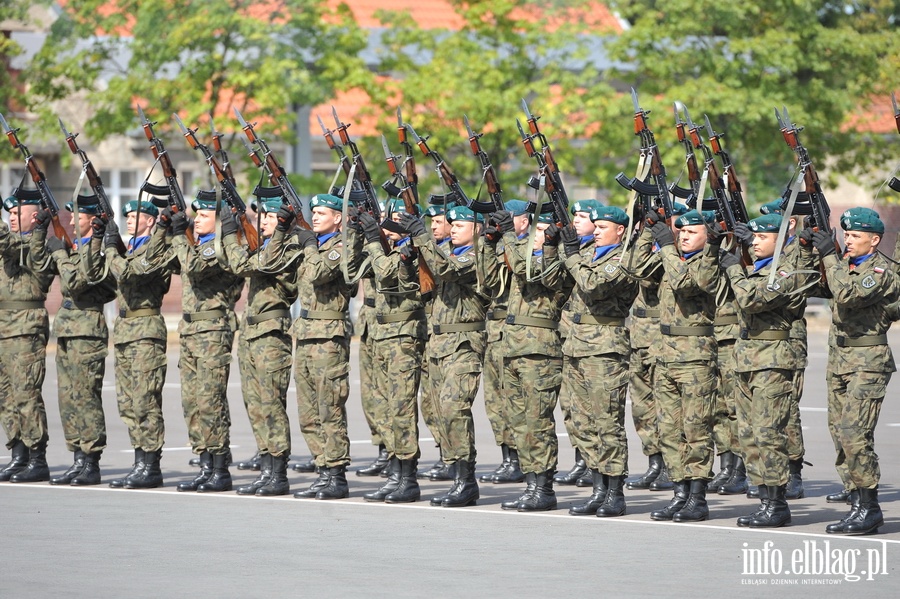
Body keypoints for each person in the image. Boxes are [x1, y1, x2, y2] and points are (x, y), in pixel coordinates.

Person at [715, 213, 814, 527]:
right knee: (748, 435)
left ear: (781, 239)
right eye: (753, 238)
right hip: (747, 359)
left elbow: (749, 299)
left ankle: (777, 504)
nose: (755, 242)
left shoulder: (785, 271)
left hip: (772, 360)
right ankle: (763, 498)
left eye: (762, 237)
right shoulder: (758, 268)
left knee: (768, 434)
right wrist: (740, 258)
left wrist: (732, 265)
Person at [147, 195, 243, 493]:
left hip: (213, 330)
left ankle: (218, 468)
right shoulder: (196, 244)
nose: (197, 219)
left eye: (203, 215)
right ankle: (204, 462)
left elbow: (192, 266)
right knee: (191, 402)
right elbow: (154, 259)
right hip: (190, 330)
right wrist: (164, 227)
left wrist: (179, 234)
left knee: (210, 401)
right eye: (195, 215)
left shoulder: (222, 247)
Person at [263, 194, 355, 500]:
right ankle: (322, 468)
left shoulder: (340, 246)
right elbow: (269, 263)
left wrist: (309, 244)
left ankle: (336, 475)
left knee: (329, 408)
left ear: (338, 218)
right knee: (308, 413)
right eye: (312, 212)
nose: (315, 217)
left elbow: (318, 274)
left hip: (328, 338)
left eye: (322, 212)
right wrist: (282, 230)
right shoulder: (309, 246)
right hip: (303, 335)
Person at [814, 207, 898, 535]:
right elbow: (820, 287)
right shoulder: (844, 265)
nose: (848, 240)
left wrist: (829, 257)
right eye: (846, 235)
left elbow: (847, 295)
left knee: (853, 433)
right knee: (840, 432)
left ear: (874, 241)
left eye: (856, 236)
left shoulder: (877, 270)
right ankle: (855, 499)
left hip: (868, 361)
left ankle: (869, 508)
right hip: (840, 361)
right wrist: (811, 249)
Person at [550, 205, 637, 516]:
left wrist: (571, 254)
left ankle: (615, 491)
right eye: (595, 226)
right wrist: (556, 244)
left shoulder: (623, 259)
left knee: (606, 422)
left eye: (603, 227)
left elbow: (593, 285)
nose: (597, 231)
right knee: (581, 422)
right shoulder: (588, 253)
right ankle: (598, 487)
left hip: (604, 350)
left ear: (620, 231)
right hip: (575, 347)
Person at [400, 205, 489, 508]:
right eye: (452, 224)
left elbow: (448, 270)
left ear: (477, 229)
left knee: (454, 408)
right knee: (439, 413)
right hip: (438, 342)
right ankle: (456, 477)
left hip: (464, 341)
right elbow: (419, 288)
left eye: (460, 225)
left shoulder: (476, 255)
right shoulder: (444, 253)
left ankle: (467, 481)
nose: (453, 229)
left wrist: (423, 239)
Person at [636, 209, 719, 522]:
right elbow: (635, 269)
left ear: (706, 235)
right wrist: (649, 233)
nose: (683, 236)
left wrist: (667, 247)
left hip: (695, 357)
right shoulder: (671, 257)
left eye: (691, 232)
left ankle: (697, 497)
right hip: (665, 353)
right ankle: (679, 492)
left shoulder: (709, 259)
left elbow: (686, 285)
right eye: (680, 232)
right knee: (669, 430)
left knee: (695, 428)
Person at [349, 200, 427, 503]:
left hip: (403, 337)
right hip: (381, 335)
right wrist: (358, 235)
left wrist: (373, 240)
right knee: (383, 407)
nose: (388, 224)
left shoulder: (412, 250)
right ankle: (395, 473)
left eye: (395, 219)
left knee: (402, 408)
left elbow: (385, 273)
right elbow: (353, 269)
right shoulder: (385, 246)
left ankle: (408, 478)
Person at [221, 199, 298, 496]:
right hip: (251, 331)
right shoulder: (264, 246)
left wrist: (230, 234)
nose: (262, 220)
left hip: (270, 334)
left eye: (269, 216)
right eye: (261, 215)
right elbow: (230, 264)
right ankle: (266, 465)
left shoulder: (287, 248)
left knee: (271, 405)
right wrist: (235, 230)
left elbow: (248, 264)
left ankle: (278, 472)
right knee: (254, 405)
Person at [96, 199, 172, 489]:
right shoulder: (131, 250)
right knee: (127, 403)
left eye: (136, 215)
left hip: (146, 330)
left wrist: (111, 247)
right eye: (127, 215)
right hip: (126, 329)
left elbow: (128, 273)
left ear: (151, 221)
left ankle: (151, 466)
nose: (130, 219)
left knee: (145, 400)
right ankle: (139, 461)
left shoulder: (156, 249)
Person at [43, 197, 116, 486]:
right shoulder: (75, 247)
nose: (72, 221)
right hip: (67, 327)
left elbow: (76, 282)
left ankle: (91, 461)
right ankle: (77, 457)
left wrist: (61, 255)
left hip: (87, 330)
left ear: (93, 219)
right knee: (67, 398)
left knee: (86, 396)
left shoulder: (96, 250)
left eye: (78, 217)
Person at [0, 192, 54, 483]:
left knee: (26, 393)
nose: (10, 217)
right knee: (5, 395)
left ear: (34, 217)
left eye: (16, 213)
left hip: (25, 328)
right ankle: (18, 453)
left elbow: (9, 246)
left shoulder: (37, 243)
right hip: (3, 328)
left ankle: (37, 456)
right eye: (7, 213)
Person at [478, 200, 530, 486]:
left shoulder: (529, 246)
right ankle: (508, 458)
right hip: (495, 331)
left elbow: (522, 270)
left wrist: (508, 237)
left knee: (517, 402)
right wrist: (488, 242)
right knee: (496, 403)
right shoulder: (501, 245)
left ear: (524, 221)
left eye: (511, 218)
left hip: (517, 333)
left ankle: (523, 459)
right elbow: (485, 282)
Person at [554, 199, 603, 488]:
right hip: (570, 337)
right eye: (575, 216)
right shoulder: (571, 248)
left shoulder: (597, 253)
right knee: (573, 409)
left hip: (594, 341)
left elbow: (589, 283)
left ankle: (593, 466)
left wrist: (570, 251)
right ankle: (582, 460)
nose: (576, 222)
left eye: (583, 217)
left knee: (595, 412)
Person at [417, 202, 455, 481]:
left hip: (454, 339)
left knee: (450, 404)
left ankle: (454, 459)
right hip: (432, 335)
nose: (433, 227)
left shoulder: (456, 256)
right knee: (430, 403)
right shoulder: (430, 252)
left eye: (439, 222)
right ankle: (445, 453)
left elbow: (443, 269)